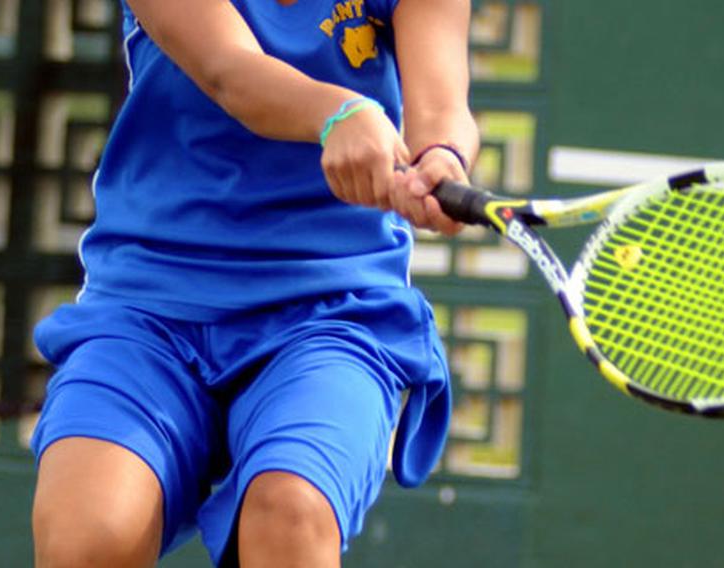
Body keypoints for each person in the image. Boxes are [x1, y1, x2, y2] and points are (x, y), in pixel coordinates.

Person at [30, 0, 478, 566]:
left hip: (333, 314)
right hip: (147, 310)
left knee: (293, 513)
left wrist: (442, 156)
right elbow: (229, 69)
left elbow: (442, 105)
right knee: (86, 540)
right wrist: (337, 113)